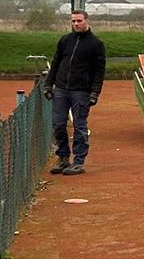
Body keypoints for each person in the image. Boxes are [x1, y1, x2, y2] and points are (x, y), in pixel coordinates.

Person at [43, 9, 106, 175]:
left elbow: (100, 71)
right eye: (73, 21)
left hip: (82, 92)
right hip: (61, 89)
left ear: (86, 21)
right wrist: (48, 84)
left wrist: (95, 92)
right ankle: (63, 158)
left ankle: (78, 161)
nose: (76, 24)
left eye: (79, 21)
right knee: (58, 124)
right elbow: (56, 63)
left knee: (79, 126)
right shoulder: (65, 41)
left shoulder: (96, 44)